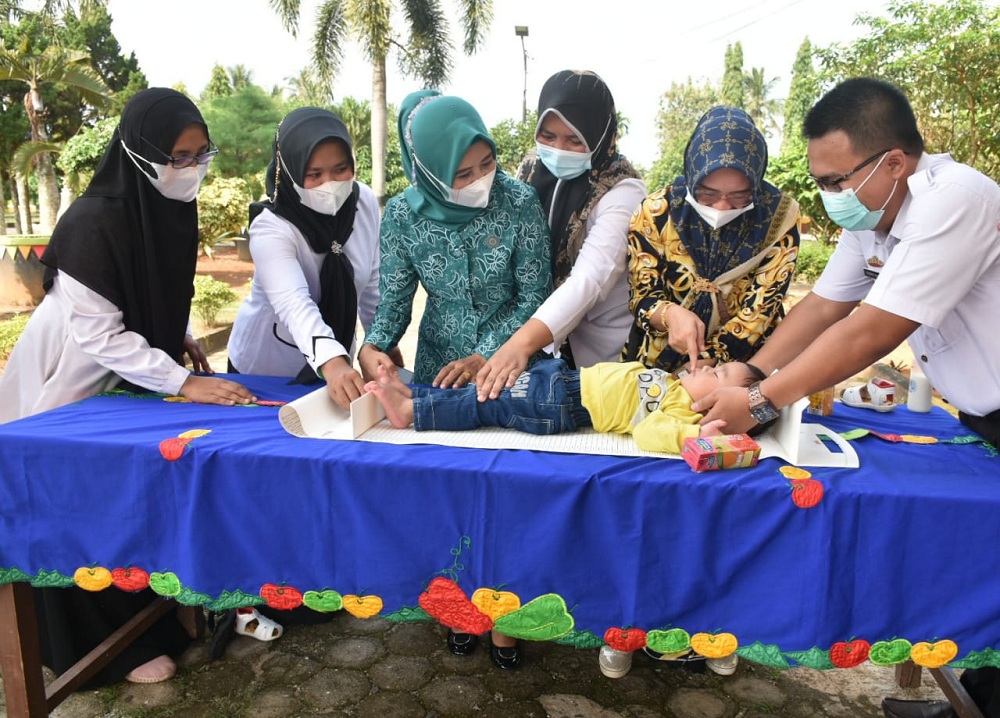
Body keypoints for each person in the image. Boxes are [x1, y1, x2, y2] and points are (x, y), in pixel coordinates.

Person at [682, 78, 1000, 718]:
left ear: (892, 162)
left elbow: (873, 327)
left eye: (835, 180)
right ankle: (976, 701)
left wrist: (764, 401)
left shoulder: (957, 200)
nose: (828, 197)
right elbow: (826, 306)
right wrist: (747, 370)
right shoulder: (877, 214)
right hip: (979, 413)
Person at [0, 88, 258, 686]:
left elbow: (157, 287)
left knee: (128, 495)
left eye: (200, 154)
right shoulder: (92, 220)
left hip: (131, 372)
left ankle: (150, 619)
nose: (190, 169)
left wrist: (182, 335)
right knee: (73, 498)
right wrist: (181, 382)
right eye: (178, 156)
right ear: (138, 154)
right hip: (72, 376)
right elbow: (99, 336)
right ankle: (96, 650)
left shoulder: (166, 205)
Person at [357, 90, 551, 669]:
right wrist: (374, 348)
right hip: (441, 371)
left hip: (514, 368)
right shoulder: (403, 215)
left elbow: (536, 294)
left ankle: (509, 620)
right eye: (461, 173)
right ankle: (458, 610)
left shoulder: (519, 202)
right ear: (427, 170)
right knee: (450, 499)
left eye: (486, 164)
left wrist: (488, 354)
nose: (479, 181)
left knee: (511, 497)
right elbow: (393, 304)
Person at [474, 69, 646, 400]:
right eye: (548, 136)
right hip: (529, 337)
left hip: (600, 346)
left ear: (600, 134)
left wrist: (519, 344)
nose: (558, 149)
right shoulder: (532, 170)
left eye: (575, 139)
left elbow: (590, 279)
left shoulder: (622, 190)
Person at [621, 105, 801, 374]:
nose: (721, 207)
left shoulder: (779, 217)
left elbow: (762, 307)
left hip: (744, 365)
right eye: (707, 193)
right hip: (661, 360)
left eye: (740, 195)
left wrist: (707, 365)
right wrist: (670, 315)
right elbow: (643, 296)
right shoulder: (657, 211)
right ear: (692, 176)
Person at [227, 107, 386, 410]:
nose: (330, 183)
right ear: (290, 171)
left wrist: (378, 343)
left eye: (341, 169)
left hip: (337, 363)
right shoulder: (271, 226)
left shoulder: (362, 202)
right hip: (268, 371)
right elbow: (293, 303)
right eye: (314, 174)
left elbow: (372, 281)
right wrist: (332, 362)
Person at [366, 357, 767, 453]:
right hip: (562, 380)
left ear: (713, 406)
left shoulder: (681, 413)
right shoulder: (675, 383)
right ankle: (413, 395)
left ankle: (410, 413)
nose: (706, 365)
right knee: (486, 389)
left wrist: (695, 434)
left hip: (560, 406)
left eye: (715, 375)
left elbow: (649, 433)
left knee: (485, 403)